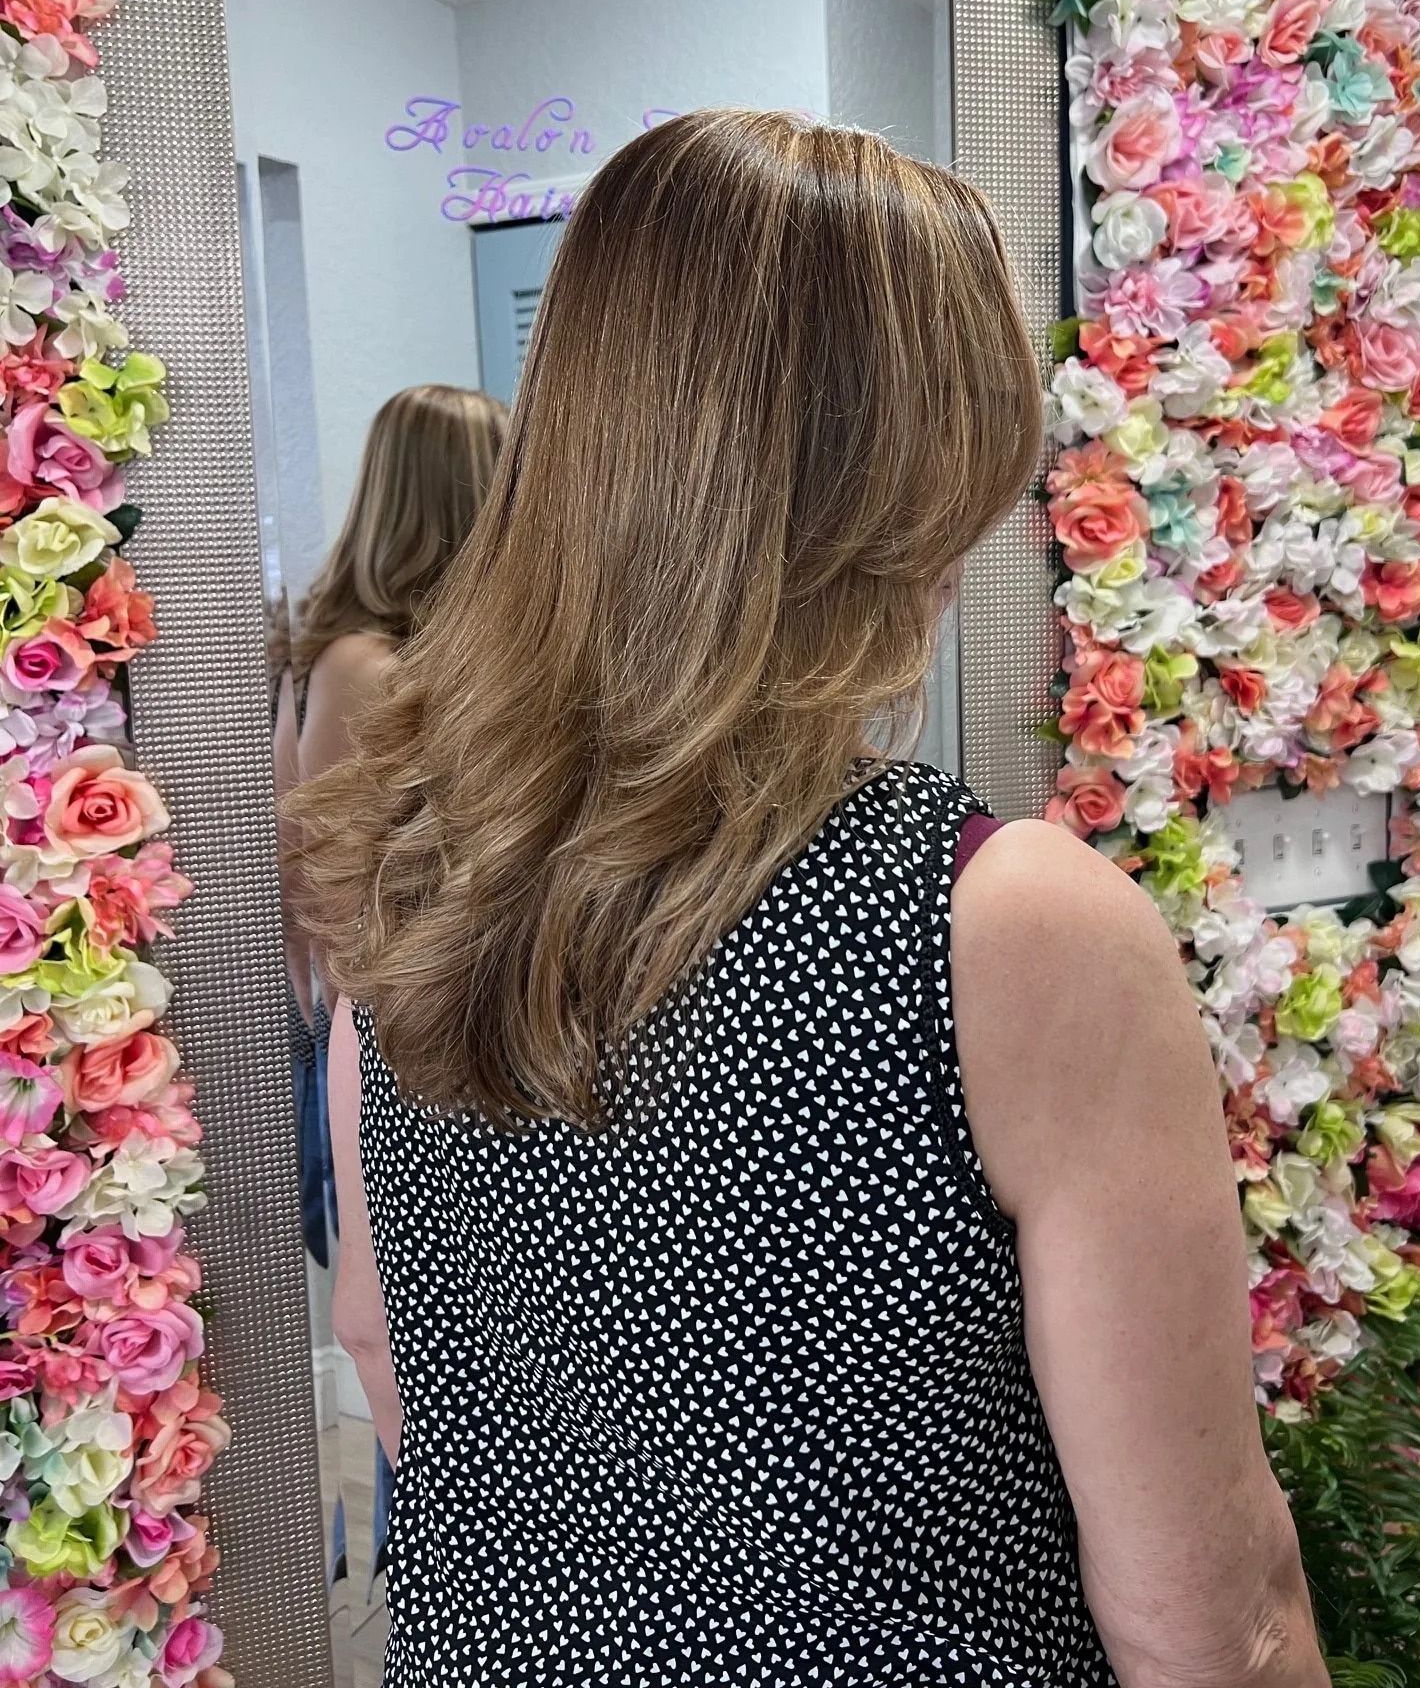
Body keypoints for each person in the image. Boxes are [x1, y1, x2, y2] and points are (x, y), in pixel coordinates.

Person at [295, 111, 1328, 1687]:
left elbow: (379, 1344)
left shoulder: (418, 860)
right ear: (926, 464)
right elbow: (1212, 1619)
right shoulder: (1003, 921)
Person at [272, 381, 509, 1583]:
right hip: (388, 1045)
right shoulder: (366, 663)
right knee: (408, 1341)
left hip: (419, 1034)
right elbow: (332, 884)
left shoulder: (401, 653)